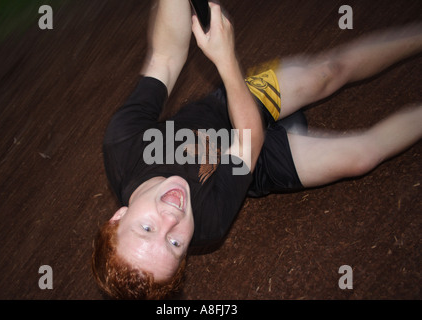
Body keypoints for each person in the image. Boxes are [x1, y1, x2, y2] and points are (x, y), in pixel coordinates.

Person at [91, 0, 422, 299]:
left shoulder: (123, 146)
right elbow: (249, 141)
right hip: (253, 160)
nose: (171, 220)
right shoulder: (208, 223)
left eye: (147, 229)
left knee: (327, 73)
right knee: (361, 157)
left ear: (119, 217)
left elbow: (164, 59)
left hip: (224, 110)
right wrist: (224, 58)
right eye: (175, 244)